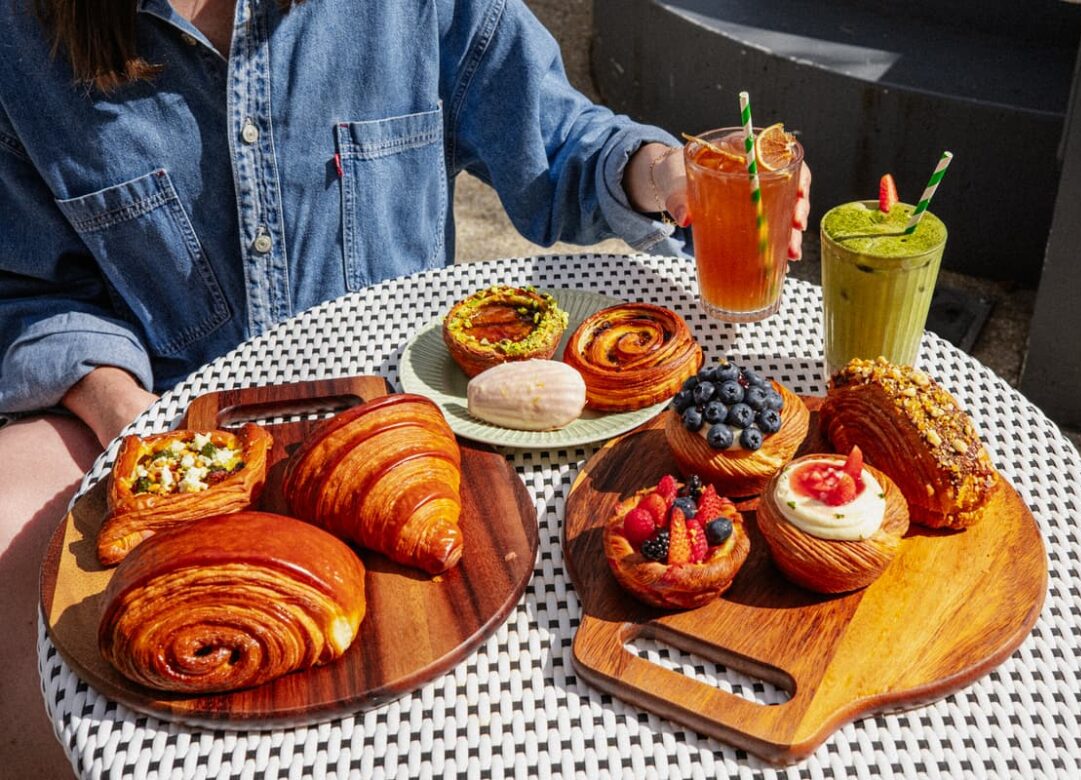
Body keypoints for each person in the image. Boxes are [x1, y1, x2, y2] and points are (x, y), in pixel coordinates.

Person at [0, 0, 811, 774]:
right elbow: (27, 287)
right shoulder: (20, 36)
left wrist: (660, 171)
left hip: (410, 424)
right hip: (189, 431)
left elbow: (558, 140)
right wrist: (132, 421)